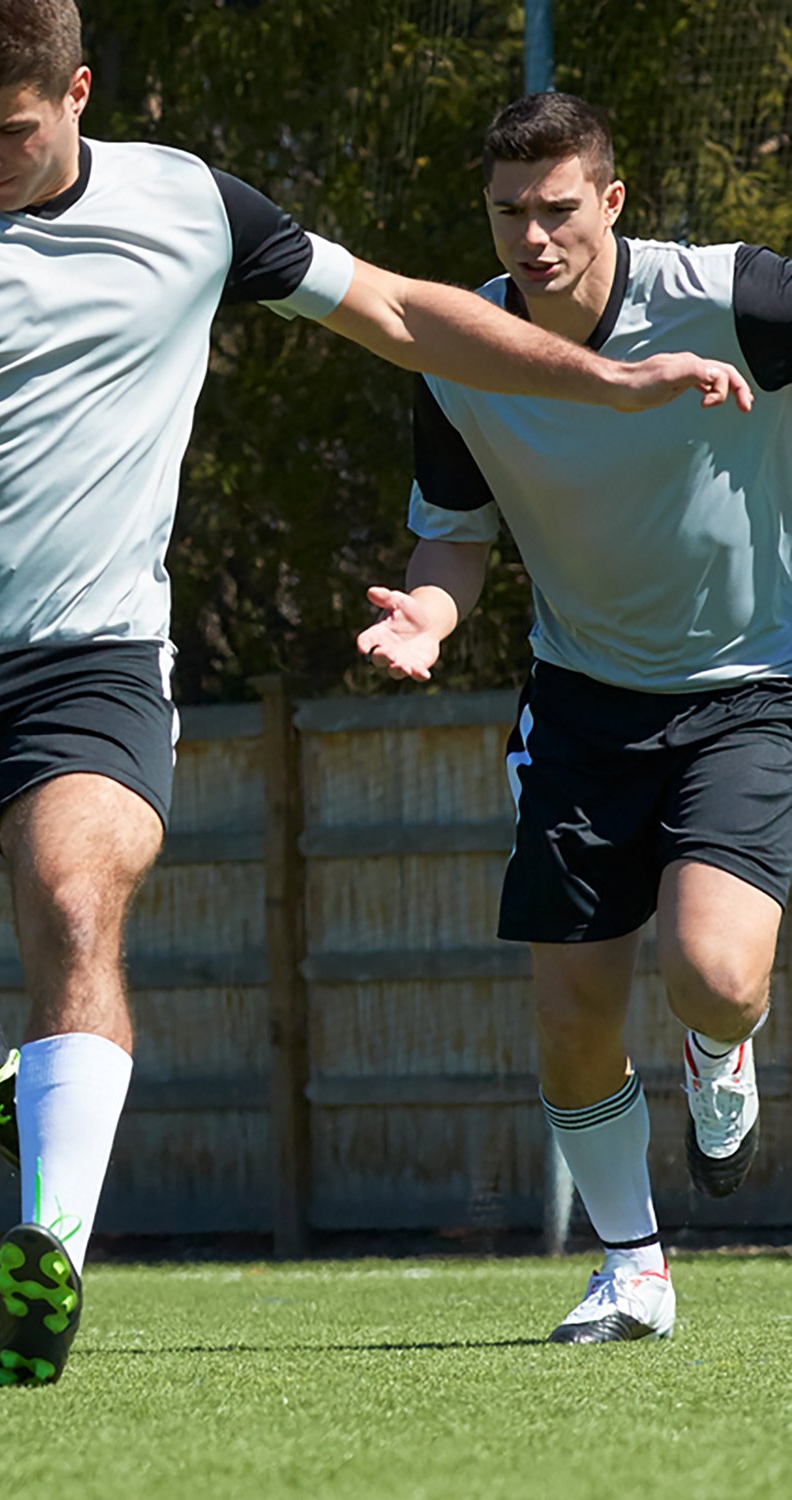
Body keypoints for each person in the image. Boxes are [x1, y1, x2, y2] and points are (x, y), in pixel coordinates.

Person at [0, 1, 749, 1386]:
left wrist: (607, 383)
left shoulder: (191, 205)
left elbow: (395, 309)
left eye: (9, 130)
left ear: (78, 92)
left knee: (78, 901)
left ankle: (52, 1252)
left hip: (94, 658)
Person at [357, 91, 789, 1344]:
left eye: (558, 210)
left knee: (715, 975)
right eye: (507, 213)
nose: (533, 238)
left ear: (611, 200)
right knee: (572, 1015)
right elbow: (452, 538)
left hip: (753, 688)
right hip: (582, 702)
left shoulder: (730, 295)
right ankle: (633, 1270)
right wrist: (428, 622)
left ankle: (721, 1054)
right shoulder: (462, 350)